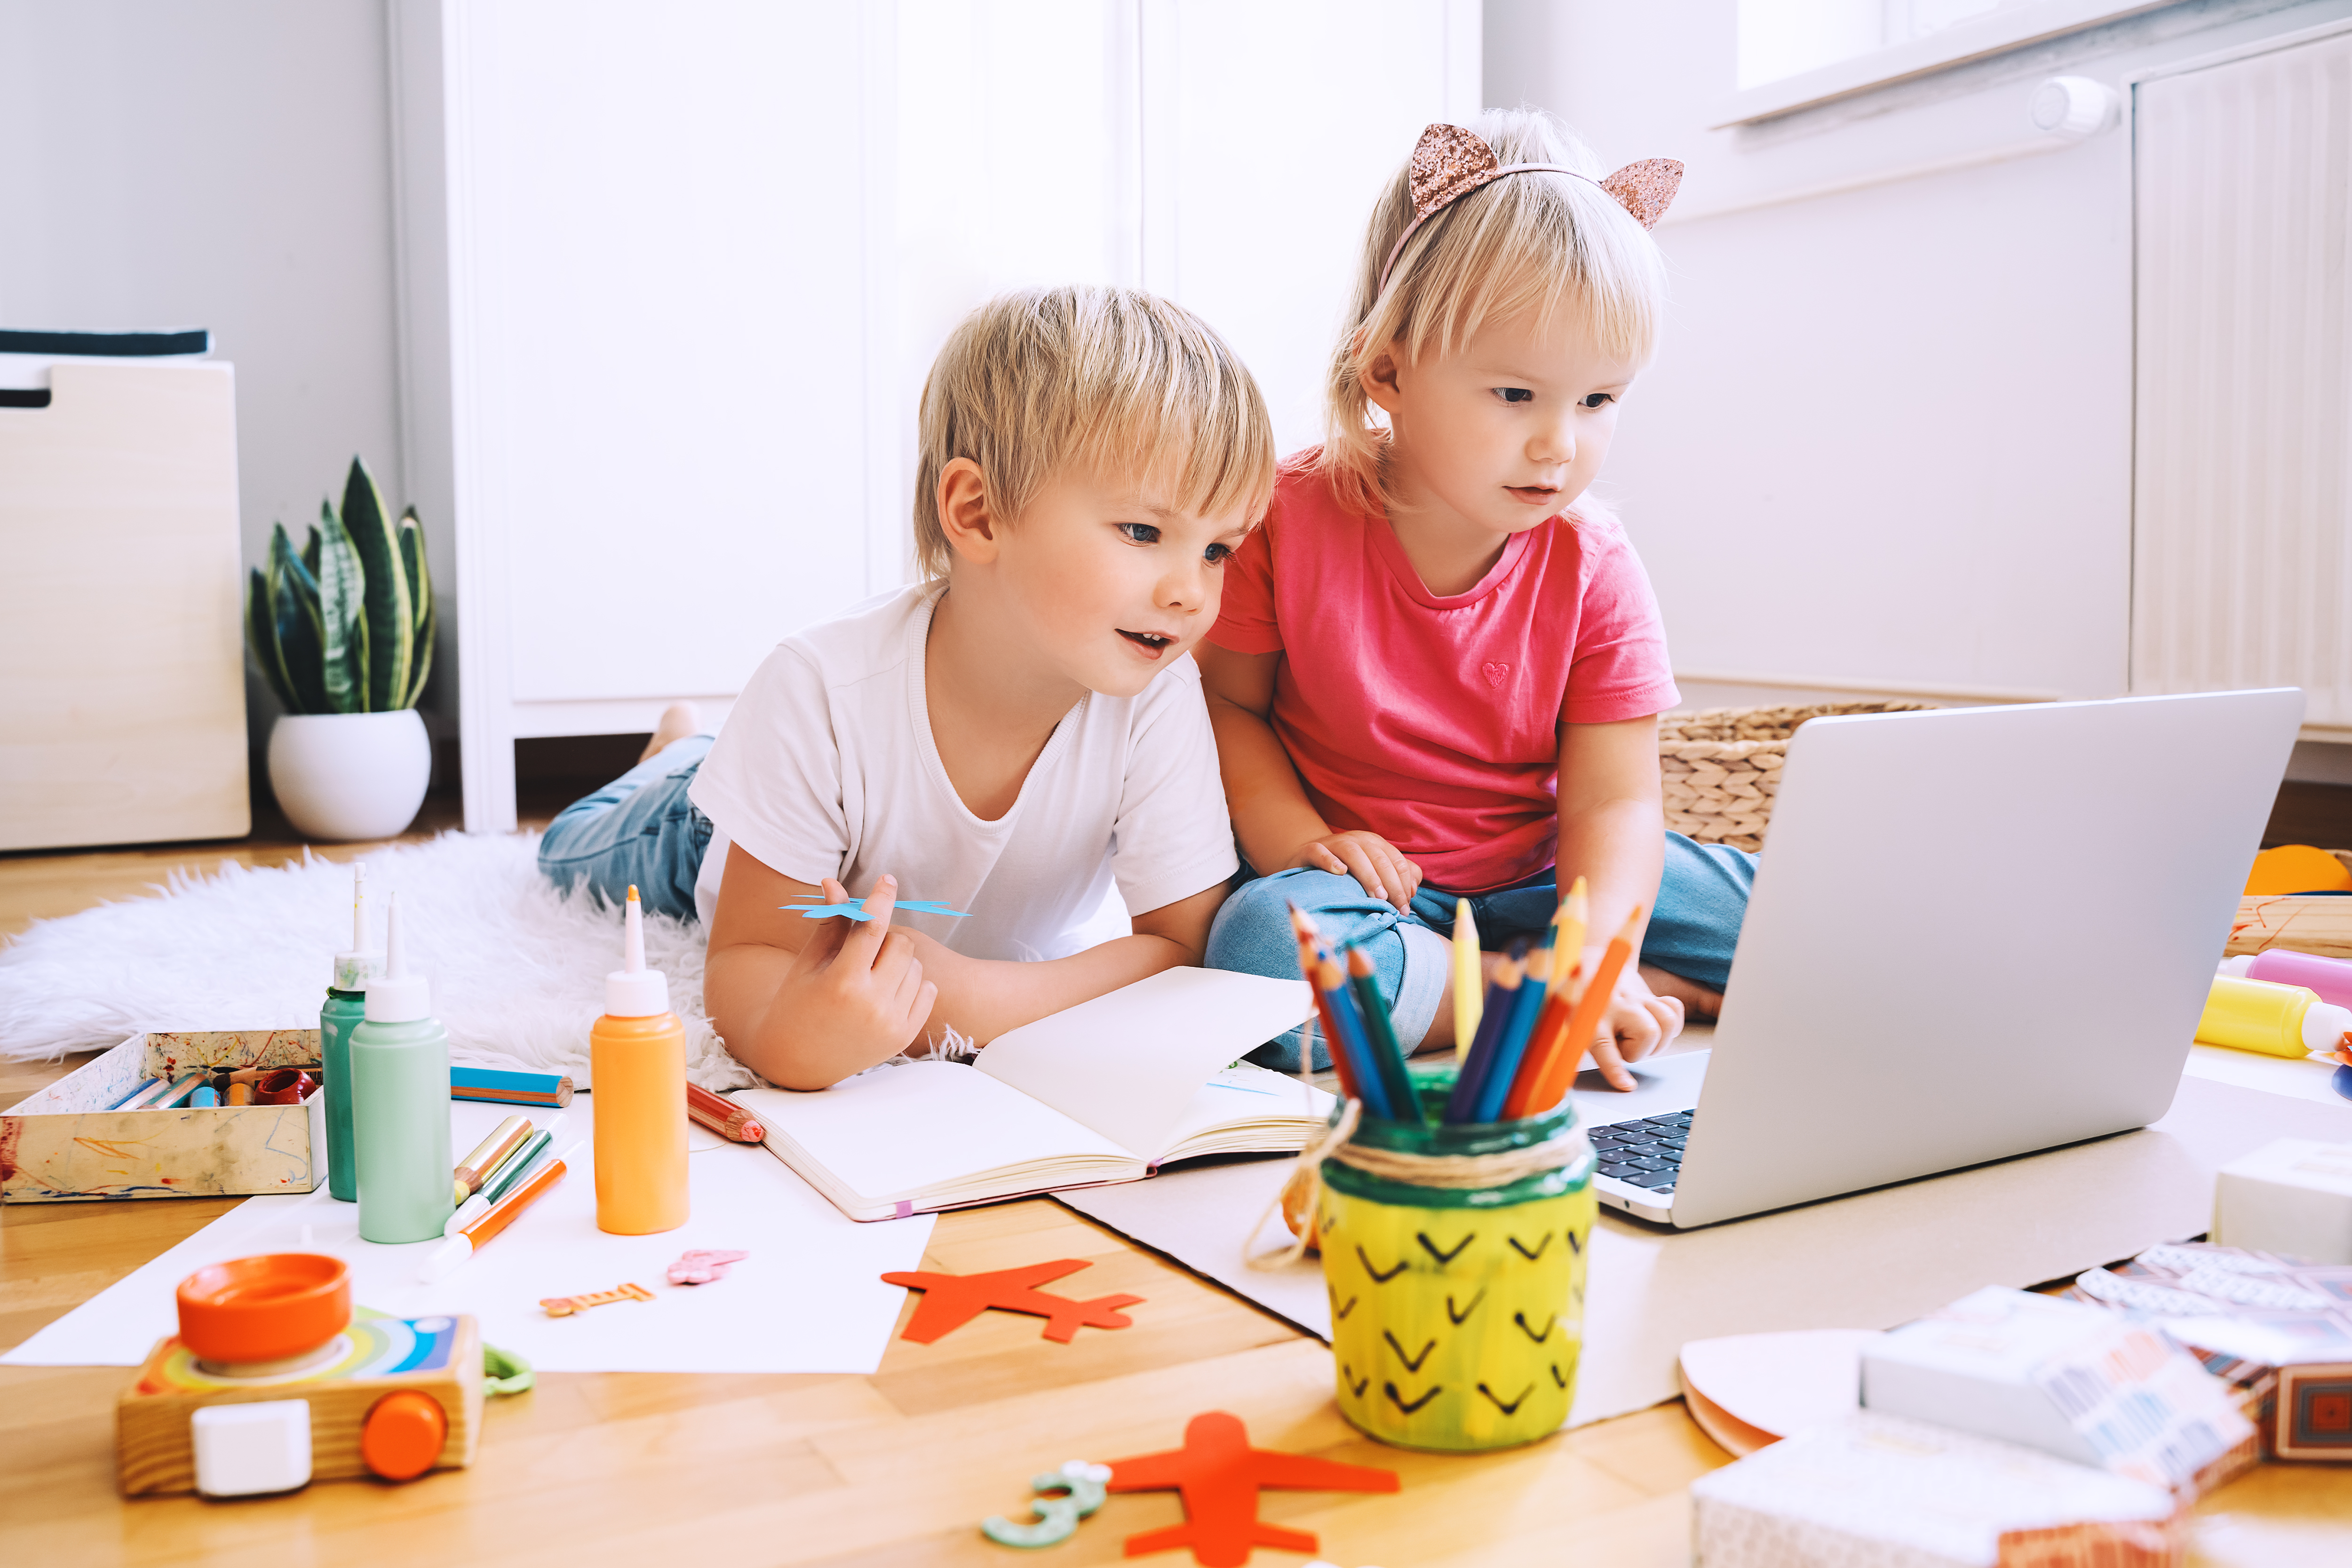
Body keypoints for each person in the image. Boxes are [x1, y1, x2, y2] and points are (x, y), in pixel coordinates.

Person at [538, 286, 1276, 1089]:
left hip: (822, 819)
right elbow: (751, 956)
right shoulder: (817, 691)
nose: (1192, 593)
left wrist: (970, 1000)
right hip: (691, 836)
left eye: (1218, 551)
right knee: (568, 849)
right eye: (1144, 532)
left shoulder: (1157, 701)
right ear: (979, 512)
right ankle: (680, 753)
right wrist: (794, 1040)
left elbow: (1182, 950)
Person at [1199, 112, 1755, 1090]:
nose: (1559, 444)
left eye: (1597, 401)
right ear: (1388, 371)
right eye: (1514, 395)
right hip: (1377, 897)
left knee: (1811, 914)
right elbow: (1228, 708)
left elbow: (1615, 799)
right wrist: (1301, 839)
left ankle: (1594, 980)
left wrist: (1595, 947)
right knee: (1260, 956)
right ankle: (1517, 993)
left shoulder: (1593, 561)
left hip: (1547, 877)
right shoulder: (1285, 518)